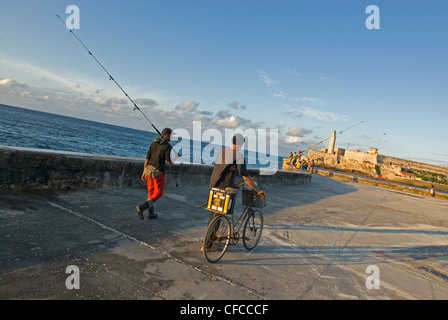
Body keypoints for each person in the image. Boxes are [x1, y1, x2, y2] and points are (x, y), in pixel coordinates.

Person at [204, 133, 267, 251]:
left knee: (213, 214)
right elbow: (246, 177)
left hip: (213, 185)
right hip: (223, 189)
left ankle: (209, 240)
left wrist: (230, 183)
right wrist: (257, 190)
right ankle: (207, 246)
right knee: (218, 216)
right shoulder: (239, 156)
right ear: (241, 144)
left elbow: (222, 169)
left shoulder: (222, 151)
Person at [136, 128, 173, 220]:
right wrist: (175, 157)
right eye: (171, 135)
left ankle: (151, 214)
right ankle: (142, 207)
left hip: (149, 171)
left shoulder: (153, 144)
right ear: (167, 135)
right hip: (158, 172)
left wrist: (144, 171)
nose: (172, 137)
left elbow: (147, 159)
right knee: (158, 194)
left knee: (151, 192)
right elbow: (168, 162)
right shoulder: (167, 146)